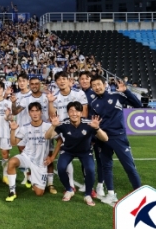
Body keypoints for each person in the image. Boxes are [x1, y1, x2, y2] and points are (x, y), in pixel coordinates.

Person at [89, 75, 143, 206]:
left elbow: (138, 105)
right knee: (106, 166)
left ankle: (141, 195)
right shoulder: (93, 103)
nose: (96, 87)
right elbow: (93, 123)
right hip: (103, 138)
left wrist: (126, 91)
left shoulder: (117, 96)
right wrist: (93, 137)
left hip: (118, 137)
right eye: (94, 85)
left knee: (129, 167)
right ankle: (111, 194)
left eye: (98, 84)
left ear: (104, 84)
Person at [45, 102, 108, 206]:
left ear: (81, 112)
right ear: (68, 113)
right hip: (68, 150)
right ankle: (69, 190)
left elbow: (105, 138)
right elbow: (47, 137)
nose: (74, 113)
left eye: (76, 111)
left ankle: (88, 194)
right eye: (71, 111)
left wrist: (97, 128)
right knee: (61, 168)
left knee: (90, 170)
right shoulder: (63, 124)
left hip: (85, 151)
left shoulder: (89, 123)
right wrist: (52, 126)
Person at [47, 71, 89, 193]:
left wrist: (82, 129)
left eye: (64, 78)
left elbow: (84, 112)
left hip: (79, 129)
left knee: (84, 158)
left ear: (69, 80)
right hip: (63, 130)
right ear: (56, 82)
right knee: (66, 156)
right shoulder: (54, 96)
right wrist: (50, 102)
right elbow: (52, 115)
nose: (61, 81)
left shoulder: (79, 93)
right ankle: (70, 184)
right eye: (59, 79)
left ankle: (88, 184)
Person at [6, 102, 56, 202]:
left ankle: (32, 178)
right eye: (32, 111)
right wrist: (12, 130)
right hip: (27, 157)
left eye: (37, 111)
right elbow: (13, 143)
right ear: (29, 113)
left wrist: (53, 157)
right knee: (11, 162)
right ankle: (12, 191)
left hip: (40, 162)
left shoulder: (48, 126)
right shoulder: (25, 127)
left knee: (39, 193)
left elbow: (60, 140)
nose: (35, 113)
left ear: (41, 112)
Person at [78, 71, 105, 198]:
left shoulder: (96, 94)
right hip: (85, 132)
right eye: (81, 79)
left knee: (100, 158)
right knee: (85, 159)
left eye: (86, 78)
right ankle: (86, 182)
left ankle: (100, 184)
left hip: (97, 130)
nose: (84, 81)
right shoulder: (78, 94)